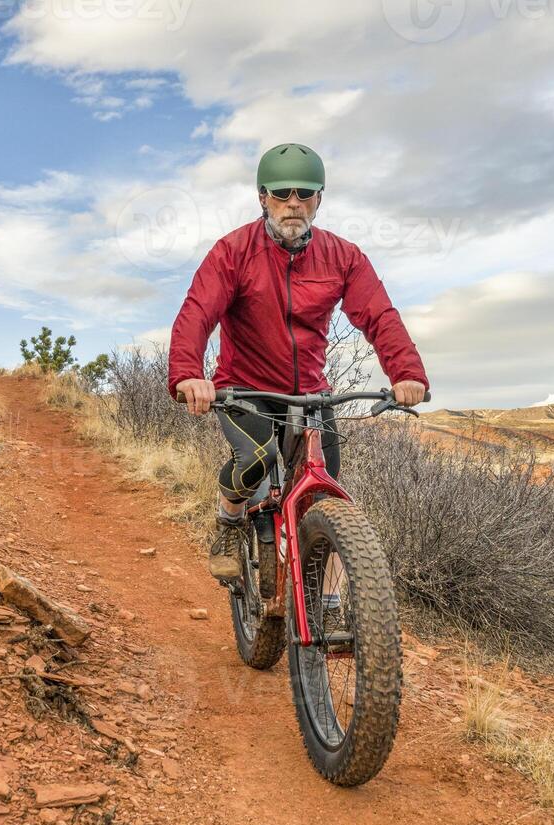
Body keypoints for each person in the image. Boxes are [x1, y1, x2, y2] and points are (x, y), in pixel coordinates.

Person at [167, 142, 430, 581]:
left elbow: (379, 315)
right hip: (245, 388)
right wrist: (190, 375)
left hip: (310, 392)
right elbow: (197, 311)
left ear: (319, 200)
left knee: (325, 495)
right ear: (263, 197)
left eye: (305, 194)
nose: (293, 203)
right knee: (256, 458)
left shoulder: (343, 256)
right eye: (282, 192)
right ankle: (230, 522)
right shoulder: (233, 252)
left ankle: (323, 599)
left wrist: (406, 373)